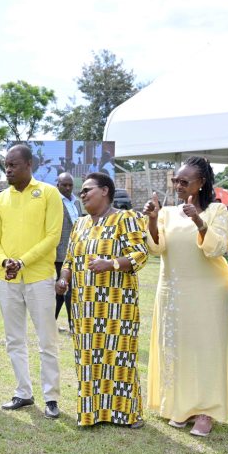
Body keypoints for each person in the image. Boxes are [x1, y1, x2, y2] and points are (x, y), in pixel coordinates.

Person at [143, 157, 228, 437]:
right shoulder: (167, 212)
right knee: (177, 347)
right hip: (173, 291)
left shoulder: (217, 210)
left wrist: (199, 221)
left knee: (206, 349)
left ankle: (206, 411)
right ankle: (181, 406)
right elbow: (156, 247)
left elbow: (216, 249)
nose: (178, 185)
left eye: (184, 181)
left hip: (208, 293)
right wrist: (152, 220)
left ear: (201, 183)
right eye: (176, 180)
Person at [56, 172, 148, 428]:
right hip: (85, 306)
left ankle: (126, 414)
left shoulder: (125, 218)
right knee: (89, 357)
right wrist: (63, 279)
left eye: (87, 190)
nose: (82, 194)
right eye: (82, 191)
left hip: (118, 306)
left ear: (105, 190)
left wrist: (111, 264)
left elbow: (140, 255)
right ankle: (92, 414)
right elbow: (70, 260)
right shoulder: (80, 224)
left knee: (119, 357)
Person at [0, 144, 63, 418]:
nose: (7, 170)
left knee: (47, 340)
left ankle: (51, 397)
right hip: (7, 279)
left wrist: (22, 261)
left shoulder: (48, 193)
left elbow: (53, 237)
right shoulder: (0, 200)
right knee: (14, 339)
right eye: (6, 165)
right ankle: (23, 392)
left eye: (13, 165)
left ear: (29, 165)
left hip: (39, 278)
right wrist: (4, 261)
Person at [54, 171, 82, 330]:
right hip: (60, 254)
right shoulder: (54, 202)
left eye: (70, 185)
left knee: (71, 290)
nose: (67, 188)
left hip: (77, 252)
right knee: (63, 289)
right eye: (64, 185)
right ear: (57, 185)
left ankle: (67, 324)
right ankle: (69, 325)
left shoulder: (77, 202)